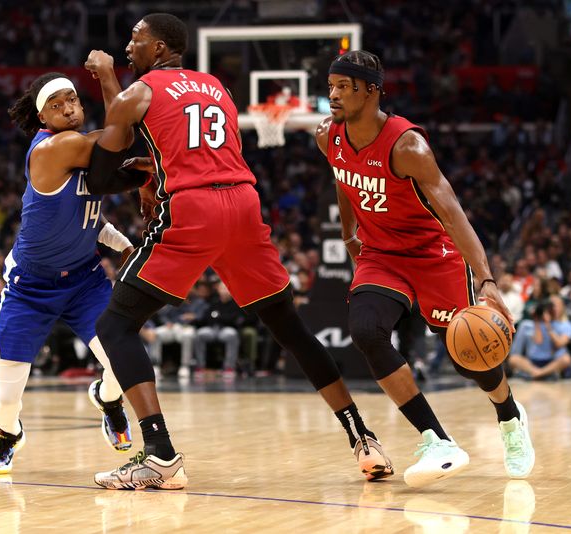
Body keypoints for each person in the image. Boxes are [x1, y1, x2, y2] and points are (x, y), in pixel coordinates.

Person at [84, 13, 392, 490]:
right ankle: (362, 436)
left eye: (136, 39)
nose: (128, 47)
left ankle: (160, 454)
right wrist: (153, 171)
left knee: (113, 326)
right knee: (290, 329)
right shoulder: (215, 87)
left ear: (161, 49)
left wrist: (106, 81)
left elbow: (102, 176)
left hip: (195, 210)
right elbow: (185, 145)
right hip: (244, 205)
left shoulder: (138, 92)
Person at [316, 50, 534, 487]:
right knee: (365, 331)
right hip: (381, 256)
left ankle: (509, 417)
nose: (333, 95)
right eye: (331, 87)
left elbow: (453, 214)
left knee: (470, 354)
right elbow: (343, 180)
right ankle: (436, 439)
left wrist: (485, 279)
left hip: (433, 256)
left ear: (371, 91)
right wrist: (349, 233)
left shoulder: (407, 145)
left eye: (343, 87)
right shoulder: (328, 136)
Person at [0, 71, 138, 475]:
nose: (69, 108)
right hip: (29, 287)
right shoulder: (56, 147)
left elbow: (87, 220)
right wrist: (108, 76)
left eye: (73, 100)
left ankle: (107, 399)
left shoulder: (81, 158)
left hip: (84, 279)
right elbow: (120, 136)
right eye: (57, 104)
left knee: (123, 361)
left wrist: (123, 245)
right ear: (42, 117)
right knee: (5, 399)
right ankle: (8, 434)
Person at [507, 296, 571, 380]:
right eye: (550, 306)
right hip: (532, 361)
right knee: (513, 359)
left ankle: (537, 373)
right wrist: (536, 320)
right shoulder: (531, 324)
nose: (553, 308)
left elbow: (560, 343)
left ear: (562, 307)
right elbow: (538, 341)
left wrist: (548, 326)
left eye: (556, 305)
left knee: (566, 359)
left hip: (551, 361)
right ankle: (540, 373)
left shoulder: (566, 325)